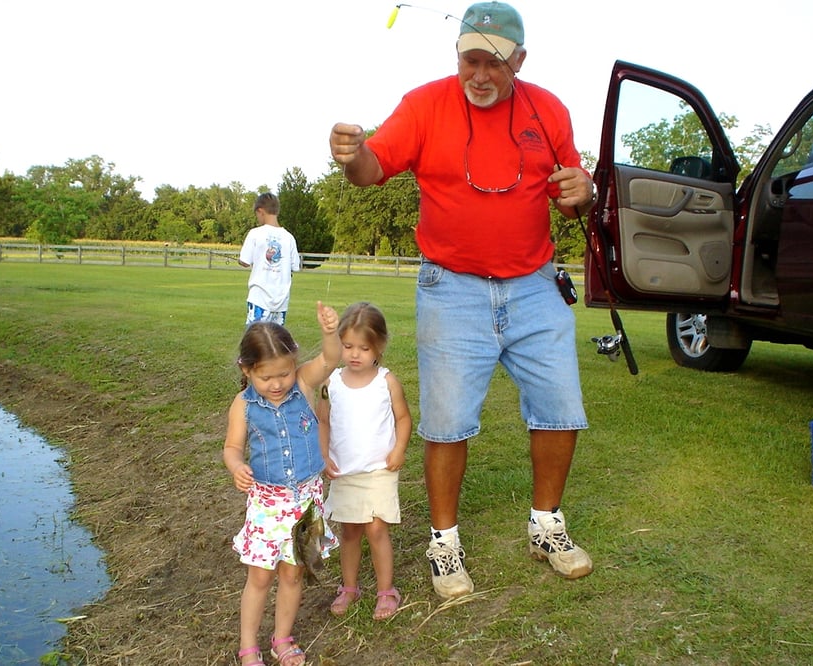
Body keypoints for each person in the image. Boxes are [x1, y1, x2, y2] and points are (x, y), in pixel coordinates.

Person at [328, 1, 596, 600]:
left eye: (493, 64)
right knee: (447, 423)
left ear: (519, 61)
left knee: (560, 408)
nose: (479, 74)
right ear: (457, 57)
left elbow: (571, 195)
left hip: (534, 284)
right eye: (469, 60)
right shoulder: (425, 104)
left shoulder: (548, 110)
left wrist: (587, 189)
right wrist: (352, 155)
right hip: (449, 287)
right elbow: (373, 169)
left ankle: (546, 526)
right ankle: (444, 544)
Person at [223, 301, 341, 666]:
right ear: (247, 369)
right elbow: (231, 447)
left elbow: (330, 358)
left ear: (294, 365)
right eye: (266, 377)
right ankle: (248, 646)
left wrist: (329, 331)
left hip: (306, 501)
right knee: (260, 579)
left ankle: (282, 639)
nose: (277, 384)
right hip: (267, 505)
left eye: (284, 374)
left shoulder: (303, 385)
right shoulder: (243, 405)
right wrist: (236, 465)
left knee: (293, 574)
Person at [317, 302, 412, 621]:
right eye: (347, 346)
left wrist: (399, 448)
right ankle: (349, 587)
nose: (355, 354)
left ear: (379, 347)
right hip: (345, 471)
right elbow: (324, 421)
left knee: (376, 528)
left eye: (363, 347)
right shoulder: (332, 383)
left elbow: (403, 418)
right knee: (350, 531)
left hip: (378, 470)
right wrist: (324, 454)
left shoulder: (387, 381)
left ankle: (386, 590)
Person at [238, 192, 301, 326]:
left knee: (255, 341)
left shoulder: (255, 234)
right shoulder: (289, 238)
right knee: (275, 342)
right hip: (281, 302)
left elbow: (244, 261)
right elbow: (295, 266)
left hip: (259, 299)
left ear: (260, 211)